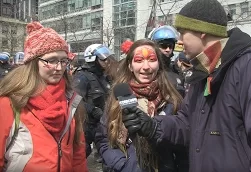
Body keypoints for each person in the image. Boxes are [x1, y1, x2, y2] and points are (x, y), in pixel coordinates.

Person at [121, 0, 251, 172]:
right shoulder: (204, 73)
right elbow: (188, 124)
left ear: (202, 32)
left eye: (183, 33)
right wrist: (153, 126)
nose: (180, 41)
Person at [0, 21, 87, 171]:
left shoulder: (71, 100)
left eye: (63, 60)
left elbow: (77, 153)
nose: (59, 68)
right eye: (51, 60)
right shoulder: (10, 102)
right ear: (33, 62)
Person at [95, 39, 188, 172]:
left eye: (151, 60)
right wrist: (122, 165)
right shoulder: (118, 96)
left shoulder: (174, 97)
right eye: (139, 61)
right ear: (130, 66)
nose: (146, 67)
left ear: (159, 64)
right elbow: (103, 139)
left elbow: (185, 140)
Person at [73, 44, 117, 158]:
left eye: (108, 59)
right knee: (82, 153)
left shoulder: (105, 77)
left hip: (103, 123)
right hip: (87, 125)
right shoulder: (82, 77)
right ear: (92, 59)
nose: (107, 62)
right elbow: (74, 100)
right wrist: (92, 110)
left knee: (108, 154)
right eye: (103, 59)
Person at [149, 25, 185, 96]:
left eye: (170, 46)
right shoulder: (149, 69)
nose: (168, 49)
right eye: (164, 46)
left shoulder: (176, 69)